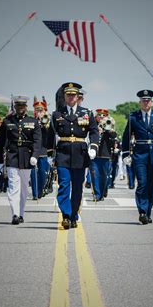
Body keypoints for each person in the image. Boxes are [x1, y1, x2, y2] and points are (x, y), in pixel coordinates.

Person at [47, 82, 99, 229]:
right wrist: (50, 154)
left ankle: (74, 214)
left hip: (80, 155)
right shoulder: (57, 114)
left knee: (77, 188)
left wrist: (93, 147)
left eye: (73, 95)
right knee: (63, 185)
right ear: (64, 96)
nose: (70, 97)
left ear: (78, 97)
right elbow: (51, 135)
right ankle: (66, 215)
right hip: (63, 154)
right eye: (68, 95)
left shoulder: (87, 113)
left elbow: (94, 132)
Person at [121, 89, 153, 225]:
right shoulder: (133, 117)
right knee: (142, 183)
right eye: (143, 100)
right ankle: (142, 211)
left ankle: (148, 212)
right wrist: (126, 154)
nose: (146, 102)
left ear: (151, 102)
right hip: (139, 154)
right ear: (140, 102)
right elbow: (126, 137)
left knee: (151, 185)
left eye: (148, 100)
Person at [0, 96, 41, 224]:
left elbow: (37, 141)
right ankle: (14, 214)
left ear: (26, 107)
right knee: (13, 186)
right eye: (18, 106)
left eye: (22, 106)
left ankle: (21, 213)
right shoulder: (7, 121)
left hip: (27, 157)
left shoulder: (33, 121)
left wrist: (35, 156)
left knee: (24, 188)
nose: (20, 108)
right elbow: (0, 142)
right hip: (12, 156)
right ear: (15, 107)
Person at [90, 108, 117, 201]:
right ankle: (97, 194)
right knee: (95, 175)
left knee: (104, 176)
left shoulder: (110, 124)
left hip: (106, 154)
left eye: (103, 115)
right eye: (99, 115)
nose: (101, 117)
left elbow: (114, 136)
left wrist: (108, 130)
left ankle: (103, 190)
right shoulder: (93, 125)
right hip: (95, 154)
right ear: (96, 116)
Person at [30, 98, 51, 200]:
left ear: (44, 111)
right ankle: (35, 193)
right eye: (37, 110)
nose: (38, 112)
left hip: (43, 150)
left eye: (40, 110)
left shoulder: (47, 121)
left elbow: (50, 133)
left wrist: (44, 121)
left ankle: (40, 190)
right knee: (33, 172)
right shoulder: (31, 121)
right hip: (33, 150)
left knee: (42, 172)